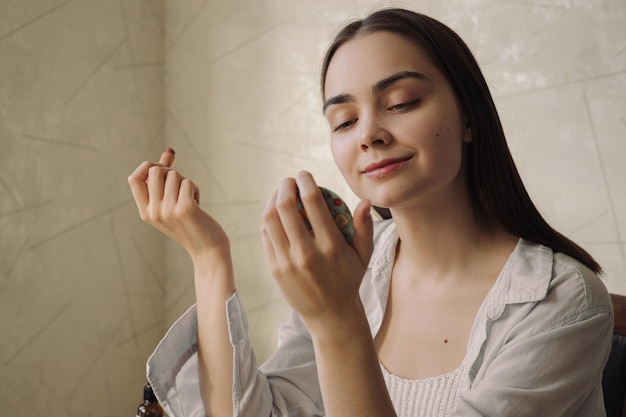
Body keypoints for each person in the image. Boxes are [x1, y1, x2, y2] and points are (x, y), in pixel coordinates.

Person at [128, 7, 613, 417]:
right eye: (344, 120)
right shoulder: (354, 266)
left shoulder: (560, 303)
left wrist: (338, 318)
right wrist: (209, 256)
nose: (369, 134)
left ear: (468, 116)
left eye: (401, 103)